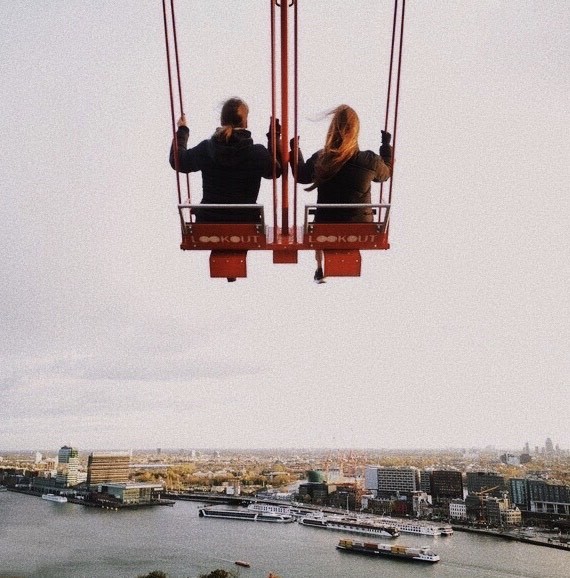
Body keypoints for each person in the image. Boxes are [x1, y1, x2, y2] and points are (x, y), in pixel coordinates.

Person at [290, 104, 393, 283]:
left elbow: (302, 175)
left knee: (321, 227)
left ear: (332, 130)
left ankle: (319, 267)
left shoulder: (322, 158)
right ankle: (320, 268)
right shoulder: (370, 161)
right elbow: (386, 174)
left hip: (325, 225)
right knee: (332, 223)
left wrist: (295, 149)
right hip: (361, 226)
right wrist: (385, 147)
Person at [170, 97, 281, 224]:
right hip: (246, 224)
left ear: (222, 120)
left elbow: (178, 161)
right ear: (245, 122)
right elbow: (276, 171)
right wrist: (274, 137)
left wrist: (182, 130)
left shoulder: (207, 149)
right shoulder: (257, 153)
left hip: (208, 223)